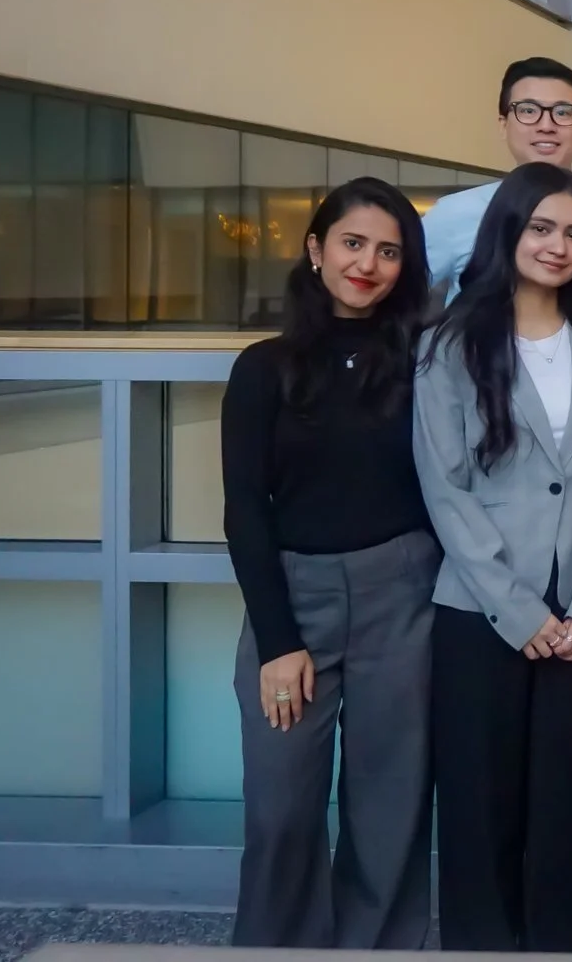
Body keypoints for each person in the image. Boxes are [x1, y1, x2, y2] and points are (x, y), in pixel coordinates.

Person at [414, 162, 572, 953]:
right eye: (542, 227)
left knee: (565, 808)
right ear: (507, 230)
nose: (558, 245)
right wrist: (519, 609)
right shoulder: (449, 345)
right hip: (481, 611)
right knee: (480, 811)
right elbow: (445, 487)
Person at [222, 178, 439, 950]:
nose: (367, 264)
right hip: (295, 599)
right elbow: (244, 508)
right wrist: (278, 641)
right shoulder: (264, 367)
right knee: (280, 806)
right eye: (352, 243)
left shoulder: (427, 361)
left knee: (390, 809)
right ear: (315, 249)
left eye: (388, 251)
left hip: (403, 595)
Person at [424, 56, 572, 327]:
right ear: (503, 124)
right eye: (528, 110)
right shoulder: (454, 212)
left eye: (563, 112)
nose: (546, 126)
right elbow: (399, 295)